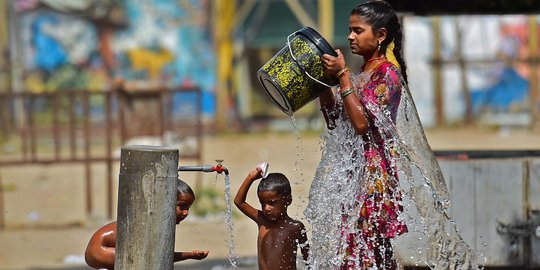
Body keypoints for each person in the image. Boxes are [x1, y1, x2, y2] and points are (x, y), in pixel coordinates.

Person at [84, 179, 209, 269]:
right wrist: (189, 255)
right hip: (100, 250)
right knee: (145, 263)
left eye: (189, 208)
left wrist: (191, 255)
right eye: (181, 207)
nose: (186, 213)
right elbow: (157, 256)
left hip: (104, 249)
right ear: (166, 202)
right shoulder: (151, 221)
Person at [234, 166, 309, 270]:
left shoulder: (296, 227)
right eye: (262, 203)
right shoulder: (261, 220)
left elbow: (308, 259)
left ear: (288, 201)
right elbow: (239, 202)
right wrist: (251, 177)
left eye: (272, 203)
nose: (266, 208)